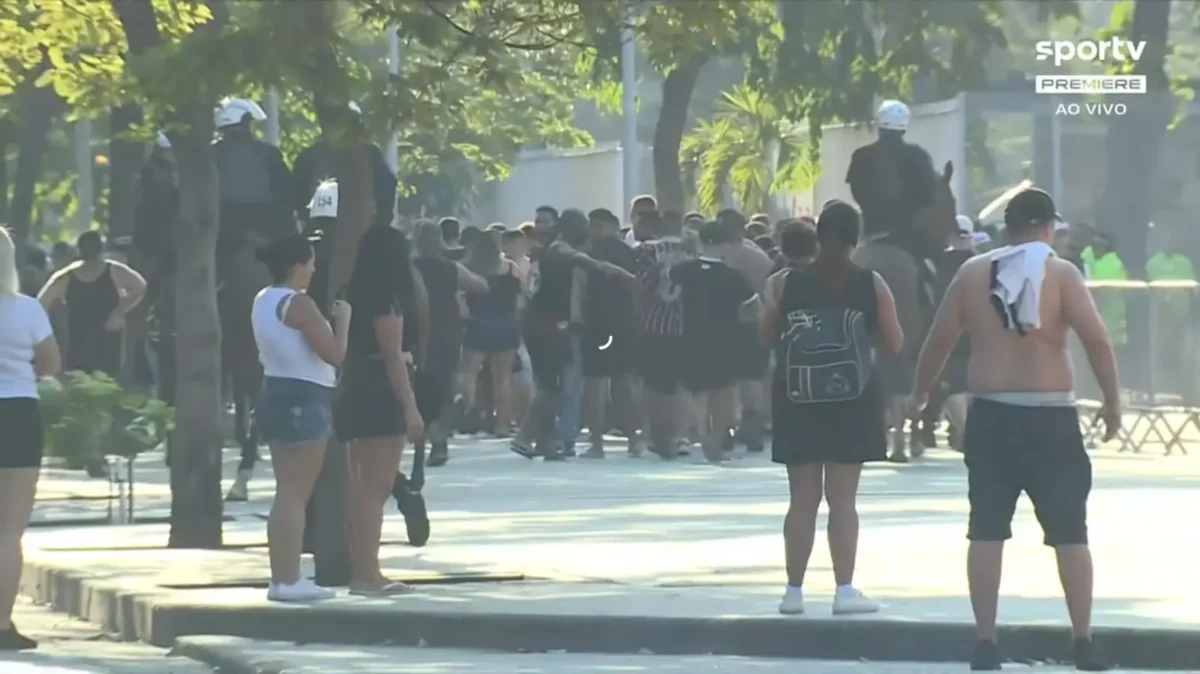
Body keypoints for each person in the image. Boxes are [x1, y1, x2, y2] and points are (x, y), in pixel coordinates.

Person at [905, 188, 1117, 671]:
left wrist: (920, 394)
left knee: (986, 529)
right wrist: (1112, 400)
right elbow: (1097, 341)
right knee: (1070, 533)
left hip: (993, 414)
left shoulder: (972, 273)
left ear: (1006, 227)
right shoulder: (1060, 273)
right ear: (1047, 228)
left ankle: (985, 642)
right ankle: (1082, 640)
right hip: (1050, 416)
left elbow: (938, 342)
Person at [761, 201, 902, 617]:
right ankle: (843, 591)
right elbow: (895, 343)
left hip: (797, 398)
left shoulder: (786, 282)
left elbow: (767, 336)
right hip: (853, 400)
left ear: (818, 235)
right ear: (855, 238)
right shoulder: (871, 283)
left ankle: (793, 592)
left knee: (801, 500)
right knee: (843, 501)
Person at [252, 234, 349, 602]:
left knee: (286, 491)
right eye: (309, 262)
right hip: (306, 396)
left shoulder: (263, 299)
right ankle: (289, 579)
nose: (313, 269)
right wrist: (345, 320)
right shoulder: (299, 304)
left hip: (275, 391)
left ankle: (282, 577)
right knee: (296, 493)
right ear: (297, 265)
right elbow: (335, 353)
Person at [333, 224, 425, 595]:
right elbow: (392, 359)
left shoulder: (350, 295)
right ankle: (367, 574)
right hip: (381, 390)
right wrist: (411, 407)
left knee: (360, 487)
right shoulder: (386, 302)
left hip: (356, 385)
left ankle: (363, 569)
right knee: (376, 487)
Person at [511, 209, 633, 460]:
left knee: (552, 384)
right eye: (584, 227)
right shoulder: (559, 249)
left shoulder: (554, 250)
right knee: (552, 387)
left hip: (545, 324)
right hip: (545, 325)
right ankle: (524, 435)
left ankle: (546, 442)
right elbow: (574, 257)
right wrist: (606, 267)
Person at [0, 227, 61, 650]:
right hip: (19, 412)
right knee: (9, 530)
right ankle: (2, 624)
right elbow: (51, 362)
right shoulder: (28, 310)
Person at [673, 222, 757, 462]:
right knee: (724, 392)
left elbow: (666, 294)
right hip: (726, 340)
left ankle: (697, 432)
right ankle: (717, 442)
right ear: (725, 246)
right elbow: (754, 307)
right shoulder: (733, 276)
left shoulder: (683, 271)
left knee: (690, 390)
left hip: (691, 337)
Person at [412, 220, 487, 466]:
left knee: (419, 388)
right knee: (443, 385)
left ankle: (435, 437)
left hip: (417, 334)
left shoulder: (410, 266)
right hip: (448, 333)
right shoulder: (450, 268)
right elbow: (481, 286)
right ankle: (449, 415)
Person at [580, 208, 642, 458]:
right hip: (623, 325)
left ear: (613, 227)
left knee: (597, 382)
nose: (594, 231)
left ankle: (597, 442)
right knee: (622, 381)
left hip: (599, 326)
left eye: (598, 226)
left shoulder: (590, 254)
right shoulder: (629, 253)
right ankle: (633, 440)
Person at [292, 102, 396, 229]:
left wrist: (379, 222)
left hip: (362, 227)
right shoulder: (310, 157)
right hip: (324, 231)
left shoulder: (370, 154)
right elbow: (297, 194)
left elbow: (387, 187)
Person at [460, 227, 522, 437]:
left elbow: (459, 294)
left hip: (479, 322)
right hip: (505, 322)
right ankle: (502, 424)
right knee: (502, 377)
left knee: (469, 373)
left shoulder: (469, 266)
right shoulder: (511, 267)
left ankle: (469, 416)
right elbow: (521, 295)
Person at [845, 99, 938, 241]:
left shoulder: (861, 156)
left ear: (879, 126)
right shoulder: (919, 156)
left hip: (872, 232)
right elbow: (931, 192)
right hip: (912, 236)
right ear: (904, 127)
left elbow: (856, 190)